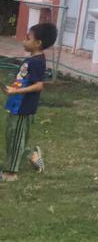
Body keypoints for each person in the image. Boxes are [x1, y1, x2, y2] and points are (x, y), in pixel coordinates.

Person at [2, 22, 57, 181]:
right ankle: (32, 155)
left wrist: (16, 91)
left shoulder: (37, 62)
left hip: (23, 107)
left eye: (27, 38)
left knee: (15, 138)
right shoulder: (33, 59)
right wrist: (11, 89)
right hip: (16, 103)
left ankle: (10, 173)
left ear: (38, 43)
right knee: (12, 135)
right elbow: (24, 80)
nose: (24, 41)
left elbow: (38, 85)